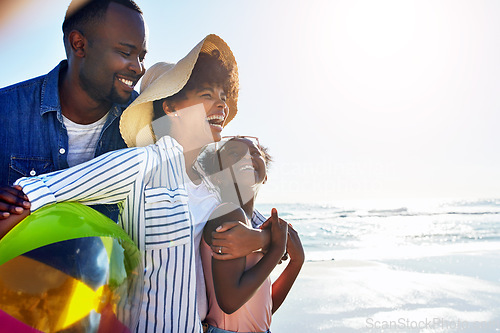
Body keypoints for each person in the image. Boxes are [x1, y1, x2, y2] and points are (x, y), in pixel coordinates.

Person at [12, 34, 272, 333]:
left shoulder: (213, 182)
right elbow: (51, 189)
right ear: (172, 108)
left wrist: (264, 240)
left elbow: (261, 226)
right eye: (207, 95)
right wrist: (16, 200)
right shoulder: (142, 164)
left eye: (223, 98)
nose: (222, 106)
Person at [0, 0, 147, 222]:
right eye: (126, 52)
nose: (138, 67)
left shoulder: (145, 122)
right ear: (79, 44)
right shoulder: (6, 110)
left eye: (141, 57)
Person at [194, 137, 304, 333]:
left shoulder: (251, 224)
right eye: (235, 153)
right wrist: (276, 249)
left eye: (255, 153)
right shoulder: (228, 213)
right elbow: (230, 301)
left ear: (265, 175)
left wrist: (296, 262)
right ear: (218, 176)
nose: (247, 157)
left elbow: (264, 309)